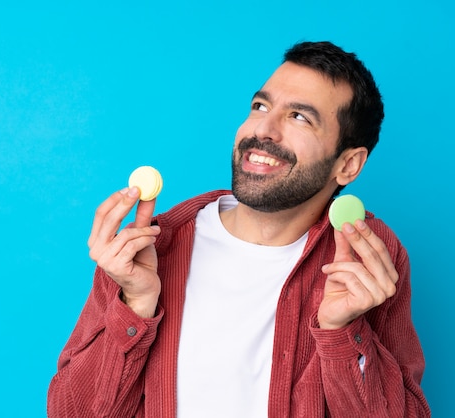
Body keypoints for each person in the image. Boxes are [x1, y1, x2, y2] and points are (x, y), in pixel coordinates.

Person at [47, 41, 430, 417]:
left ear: (347, 165)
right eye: (260, 106)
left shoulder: (367, 258)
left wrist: (342, 333)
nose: (264, 130)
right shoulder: (146, 247)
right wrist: (135, 305)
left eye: (299, 117)